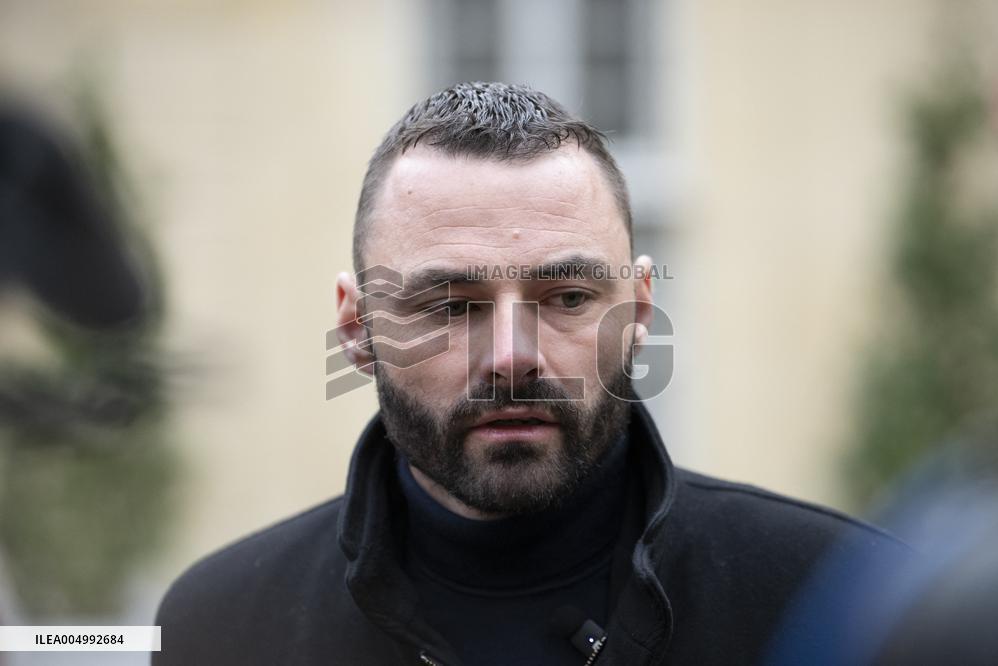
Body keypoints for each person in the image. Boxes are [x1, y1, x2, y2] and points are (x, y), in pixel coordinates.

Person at [154, 82, 907, 666]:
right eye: (451, 305)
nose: (513, 357)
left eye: (568, 297)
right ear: (357, 328)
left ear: (640, 310)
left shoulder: (845, 604)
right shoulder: (216, 627)